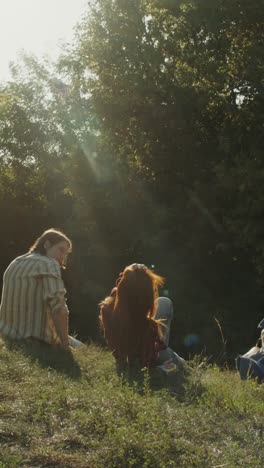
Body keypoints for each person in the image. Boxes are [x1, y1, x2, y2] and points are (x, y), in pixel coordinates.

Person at [0, 228, 82, 351]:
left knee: (79, 344)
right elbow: (59, 307)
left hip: (8, 334)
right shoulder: (49, 263)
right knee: (84, 349)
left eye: (66, 254)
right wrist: (65, 344)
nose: (63, 258)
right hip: (36, 339)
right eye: (61, 250)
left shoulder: (15, 262)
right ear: (47, 244)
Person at [99, 263, 185, 370]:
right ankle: (179, 361)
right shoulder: (148, 327)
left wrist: (133, 272)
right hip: (145, 356)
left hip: (131, 349)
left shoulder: (108, 308)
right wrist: (163, 369)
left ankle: (169, 354)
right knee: (179, 363)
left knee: (163, 302)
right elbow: (146, 363)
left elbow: (123, 291)